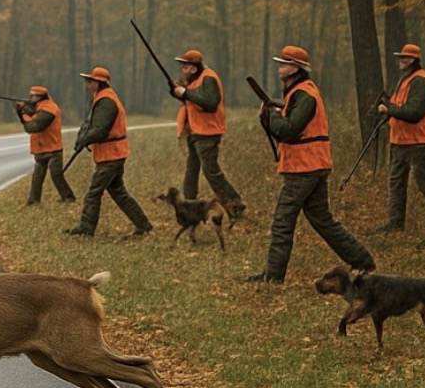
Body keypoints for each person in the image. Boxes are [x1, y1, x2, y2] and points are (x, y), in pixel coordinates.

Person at [247, 45, 374, 283]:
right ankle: (362, 261)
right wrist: (272, 113)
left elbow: (290, 130)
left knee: (283, 220)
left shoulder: (304, 94)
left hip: (304, 168)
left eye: (284, 64)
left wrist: (270, 115)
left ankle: (273, 277)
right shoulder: (298, 92)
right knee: (322, 219)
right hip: (311, 165)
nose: (279, 68)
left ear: (296, 68)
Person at [371, 43, 425, 232]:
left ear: (414, 60)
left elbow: (415, 112)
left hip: (416, 142)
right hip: (399, 141)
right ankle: (395, 223)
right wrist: (383, 109)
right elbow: (399, 107)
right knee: (396, 183)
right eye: (400, 57)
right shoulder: (405, 80)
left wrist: (389, 109)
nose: (401, 60)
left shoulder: (420, 80)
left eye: (405, 57)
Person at [64, 66, 153, 238]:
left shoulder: (106, 101)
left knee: (93, 192)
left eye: (89, 81)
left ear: (98, 82)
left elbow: (100, 130)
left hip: (111, 155)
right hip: (113, 153)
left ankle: (86, 228)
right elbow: (90, 123)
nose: (87, 85)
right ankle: (143, 224)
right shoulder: (101, 98)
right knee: (118, 192)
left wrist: (85, 140)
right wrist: (81, 138)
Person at [170, 48, 245, 216]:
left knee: (210, 171)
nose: (182, 69)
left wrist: (185, 92)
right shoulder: (196, 80)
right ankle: (188, 204)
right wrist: (178, 92)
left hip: (207, 133)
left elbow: (210, 103)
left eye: (185, 66)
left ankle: (234, 203)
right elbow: (192, 99)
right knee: (191, 170)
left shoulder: (208, 78)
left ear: (194, 68)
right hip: (195, 131)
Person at [16, 84, 75, 204]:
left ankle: (68, 197)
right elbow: (29, 120)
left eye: (34, 96)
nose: (32, 98)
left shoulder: (50, 108)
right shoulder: (37, 108)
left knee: (56, 175)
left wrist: (23, 113)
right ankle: (33, 200)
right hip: (40, 148)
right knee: (37, 176)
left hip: (53, 148)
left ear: (41, 96)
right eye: (31, 96)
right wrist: (21, 112)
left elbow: (35, 126)